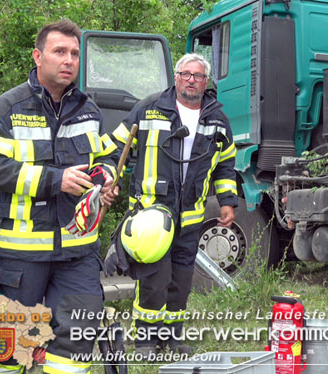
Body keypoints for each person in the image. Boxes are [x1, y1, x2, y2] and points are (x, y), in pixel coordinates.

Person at [0, 19, 118, 373]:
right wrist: (55, 180)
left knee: (77, 338)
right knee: (7, 348)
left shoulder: (90, 111)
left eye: (74, 53)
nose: (69, 60)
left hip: (78, 254)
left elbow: (106, 159)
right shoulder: (6, 109)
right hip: (20, 258)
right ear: (38, 56)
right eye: (60, 52)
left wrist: (106, 182)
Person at [104, 53, 238, 354]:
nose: (191, 80)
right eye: (186, 74)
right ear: (176, 77)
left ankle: (172, 337)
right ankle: (146, 341)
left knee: (181, 281)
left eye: (198, 75)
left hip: (190, 217)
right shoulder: (149, 108)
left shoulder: (217, 119)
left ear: (206, 82)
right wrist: (108, 177)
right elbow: (116, 148)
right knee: (153, 280)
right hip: (151, 217)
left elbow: (226, 164)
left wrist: (227, 200)